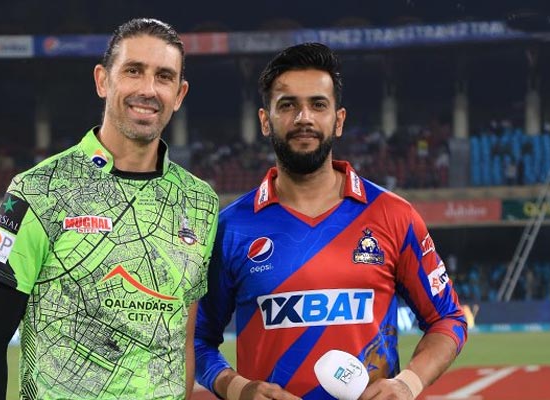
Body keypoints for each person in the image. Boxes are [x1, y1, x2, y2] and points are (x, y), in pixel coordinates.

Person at [0, 18, 220, 400]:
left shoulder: (200, 202)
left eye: (164, 77)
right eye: (134, 71)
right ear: (103, 80)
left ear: (179, 94)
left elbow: (182, 335)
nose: (148, 89)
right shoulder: (35, 191)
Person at [194, 43, 467, 400]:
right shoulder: (230, 229)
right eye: (287, 105)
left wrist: (407, 383)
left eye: (318, 104)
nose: (303, 117)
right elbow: (196, 339)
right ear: (265, 120)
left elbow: (448, 318)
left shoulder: (393, 215)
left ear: (338, 120)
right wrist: (238, 388)